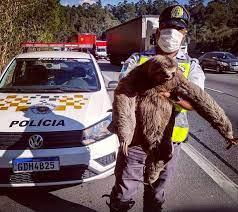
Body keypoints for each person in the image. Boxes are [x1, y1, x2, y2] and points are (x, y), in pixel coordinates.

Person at [107, 4, 206, 212]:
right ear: (158, 29)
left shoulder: (192, 66)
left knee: (156, 193)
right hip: (135, 140)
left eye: (178, 28)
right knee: (124, 191)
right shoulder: (137, 59)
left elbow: (196, 102)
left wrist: (173, 97)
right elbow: (124, 92)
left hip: (169, 142)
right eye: (168, 26)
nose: (172, 32)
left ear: (185, 33)